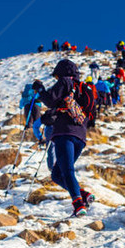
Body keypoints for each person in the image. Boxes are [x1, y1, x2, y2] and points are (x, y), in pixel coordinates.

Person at [32, 59, 95, 216]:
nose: (56, 79)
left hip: (64, 133)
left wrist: (40, 89)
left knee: (67, 171)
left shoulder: (65, 82)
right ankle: (83, 195)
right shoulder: (83, 88)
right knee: (57, 174)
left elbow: (50, 100)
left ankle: (78, 204)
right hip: (80, 136)